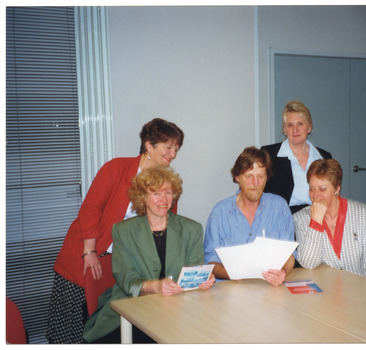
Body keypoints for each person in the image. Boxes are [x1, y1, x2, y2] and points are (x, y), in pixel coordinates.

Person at [46, 118, 184, 343]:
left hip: (119, 263)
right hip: (83, 254)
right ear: (149, 145)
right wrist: (89, 252)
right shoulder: (117, 168)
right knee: (71, 330)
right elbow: (90, 209)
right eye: (168, 147)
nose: (173, 154)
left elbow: (167, 224)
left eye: (176, 149)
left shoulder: (165, 183)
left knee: (108, 323)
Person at [83, 167, 215, 343]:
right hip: (132, 308)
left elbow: (193, 270)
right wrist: (155, 286)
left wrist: (202, 280)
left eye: (168, 193)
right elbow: (126, 277)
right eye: (156, 194)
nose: (163, 200)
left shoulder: (192, 229)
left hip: (179, 309)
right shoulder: (124, 230)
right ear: (143, 197)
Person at [204, 146, 296, 286]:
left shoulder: (279, 207)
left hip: (269, 288)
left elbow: (289, 255)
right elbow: (211, 260)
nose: (255, 183)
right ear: (237, 178)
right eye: (249, 176)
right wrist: (232, 273)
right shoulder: (220, 212)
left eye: (260, 176)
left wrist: (282, 272)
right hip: (230, 289)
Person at [293, 159, 366, 282]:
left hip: (363, 290)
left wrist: (362, 298)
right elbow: (309, 263)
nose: (315, 195)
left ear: (337, 188)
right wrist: (316, 221)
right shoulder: (301, 218)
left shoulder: (363, 214)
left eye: (322, 189)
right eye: (312, 188)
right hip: (327, 293)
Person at [261, 100, 332, 215]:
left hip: (319, 216)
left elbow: (332, 195)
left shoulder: (324, 157)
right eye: (290, 125)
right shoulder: (268, 155)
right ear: (284, 129)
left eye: (300, 124)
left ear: (309, 127)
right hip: (282, 220)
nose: (295, 130)